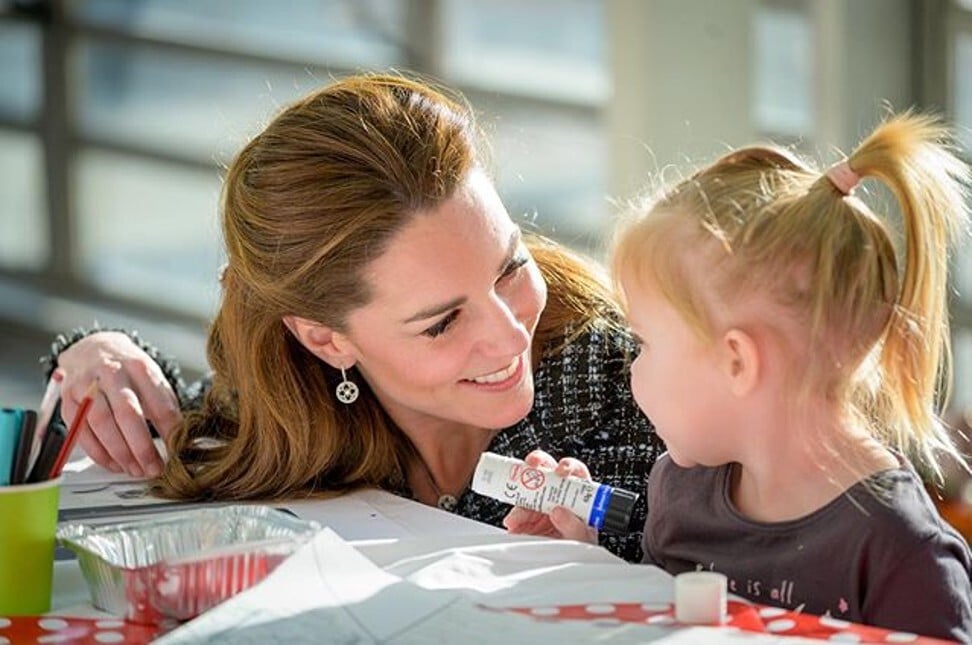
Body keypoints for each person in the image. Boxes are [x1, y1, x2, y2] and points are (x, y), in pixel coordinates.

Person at [44, 72, 663, 563]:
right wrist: (91, 351)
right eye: (442, 322)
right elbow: (181, 414)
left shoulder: (643, 392)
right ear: (323, 339)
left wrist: (588, 579)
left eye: (508, 267)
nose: (508, 333)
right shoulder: (290, 401)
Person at [506, 112, 972, 640]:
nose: (630, 368)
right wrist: (587, 562)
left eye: (645, 344)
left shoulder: (901, 554)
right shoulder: (679, 491)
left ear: (737, 363)